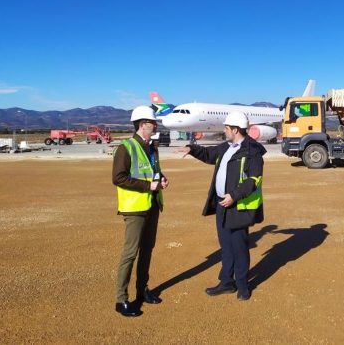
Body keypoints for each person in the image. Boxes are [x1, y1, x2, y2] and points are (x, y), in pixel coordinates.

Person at [178, 110, 265, 301]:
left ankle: (242, 285)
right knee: (226, 246)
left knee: (239, 247)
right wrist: (192, 149)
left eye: (226, 127)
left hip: (238, 206)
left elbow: (253, 180)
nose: (224, 130)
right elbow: (209, 154)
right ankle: (226, 282)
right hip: (221, 205)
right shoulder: (227, 146)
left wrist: (234, 196)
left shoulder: (253, 151)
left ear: (235, 129)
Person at [112, 105, 169, 317]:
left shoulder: (152, 147)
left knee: (147, 250)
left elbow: (152, 172)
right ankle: (121, 299)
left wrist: (161, 178)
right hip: (135, 208)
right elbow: (118, 178)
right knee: (130, 253)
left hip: (153, 205)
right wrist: (148, 186)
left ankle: (142, 290)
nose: (155, 125)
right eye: (152, 122)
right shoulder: (126, 147)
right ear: (141, 124)